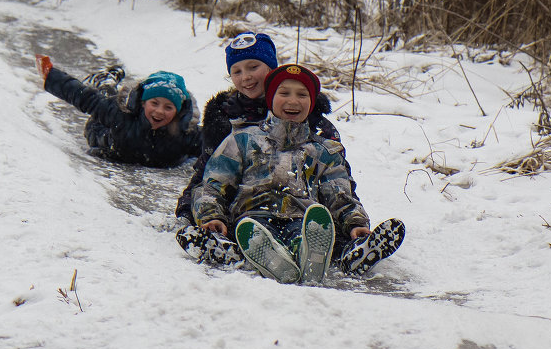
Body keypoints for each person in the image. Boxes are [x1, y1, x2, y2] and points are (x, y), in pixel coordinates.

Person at [192, 63, 404, 283]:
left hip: (302, 219)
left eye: (302, 95)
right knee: (252, 233)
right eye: (284, 93)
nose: (293, 101)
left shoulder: (322, 151)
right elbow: (214, 182)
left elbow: (339, 193)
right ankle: (257, 254)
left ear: (311, 104)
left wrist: (355, 222)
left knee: (307, 234)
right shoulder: (243, 140)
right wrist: (212, 216)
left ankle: (311, 255)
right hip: (252, 217)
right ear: (270, 99)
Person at [174, 31, 355, 264]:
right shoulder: (224, 119)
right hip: (246, 209)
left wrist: (351, 220)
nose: (246, 77)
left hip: (300, 209)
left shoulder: (312, 122)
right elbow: (210, 173)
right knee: (233, 224)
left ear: (271, 68)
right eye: (237, 71)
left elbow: (337, 177)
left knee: (315, 228)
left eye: (253, 67)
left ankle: (324, 251)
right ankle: (240, 247)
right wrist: (193, 211)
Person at [35, 55, 201, 168]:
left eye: (168, 107)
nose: (159, 111)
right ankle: (106, 79)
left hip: (135, 148)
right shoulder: (121, 116)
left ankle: (108, 79)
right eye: (154, 103)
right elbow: (85, 97)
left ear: (177, 112)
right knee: (106, 95)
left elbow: (214, 140)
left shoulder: (185, 133)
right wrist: (51, 76)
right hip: (105, 134)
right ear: (143, 103)